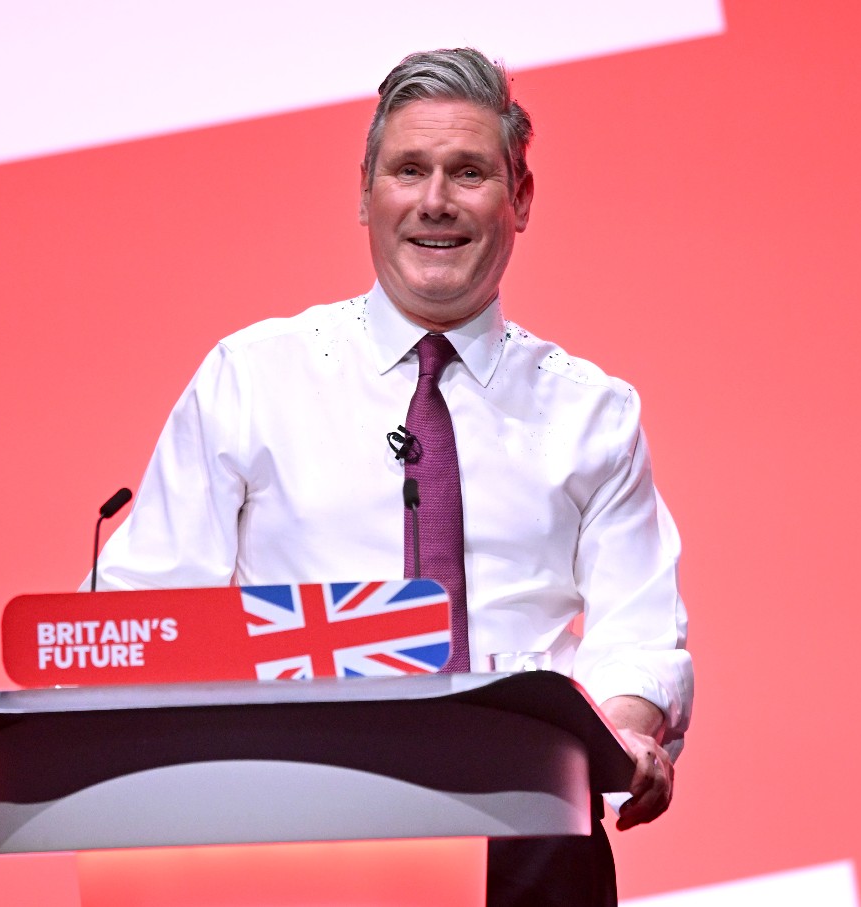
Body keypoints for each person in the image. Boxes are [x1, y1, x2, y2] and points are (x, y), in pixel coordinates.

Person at [88, 48, 692, 906]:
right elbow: (140, 612)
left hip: (527, 833)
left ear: (520, 200)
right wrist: (28, 746)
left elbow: (638, 629)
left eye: (469, 171)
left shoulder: (592, 413)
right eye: (409, 170)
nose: (435, 200)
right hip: (297, 833)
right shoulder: (255, 378)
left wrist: (628, 729)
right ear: (365, 193)